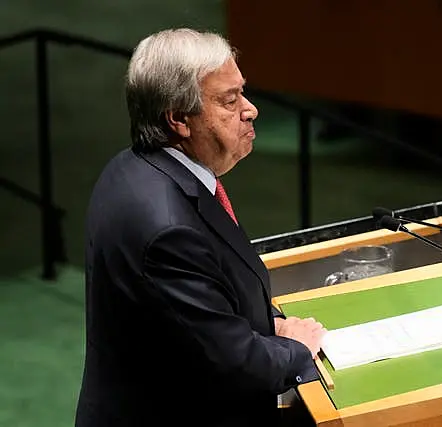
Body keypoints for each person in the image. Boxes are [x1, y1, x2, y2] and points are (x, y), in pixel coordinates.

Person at [74, 28, 326, 427]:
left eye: (242, 91)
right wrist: (295, 348)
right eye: (229, 100)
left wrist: (266, 323)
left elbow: (192, 313)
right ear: (178, 118)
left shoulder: (132, 167)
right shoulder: (168, 229)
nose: (250, 109)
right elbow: (231, 361)